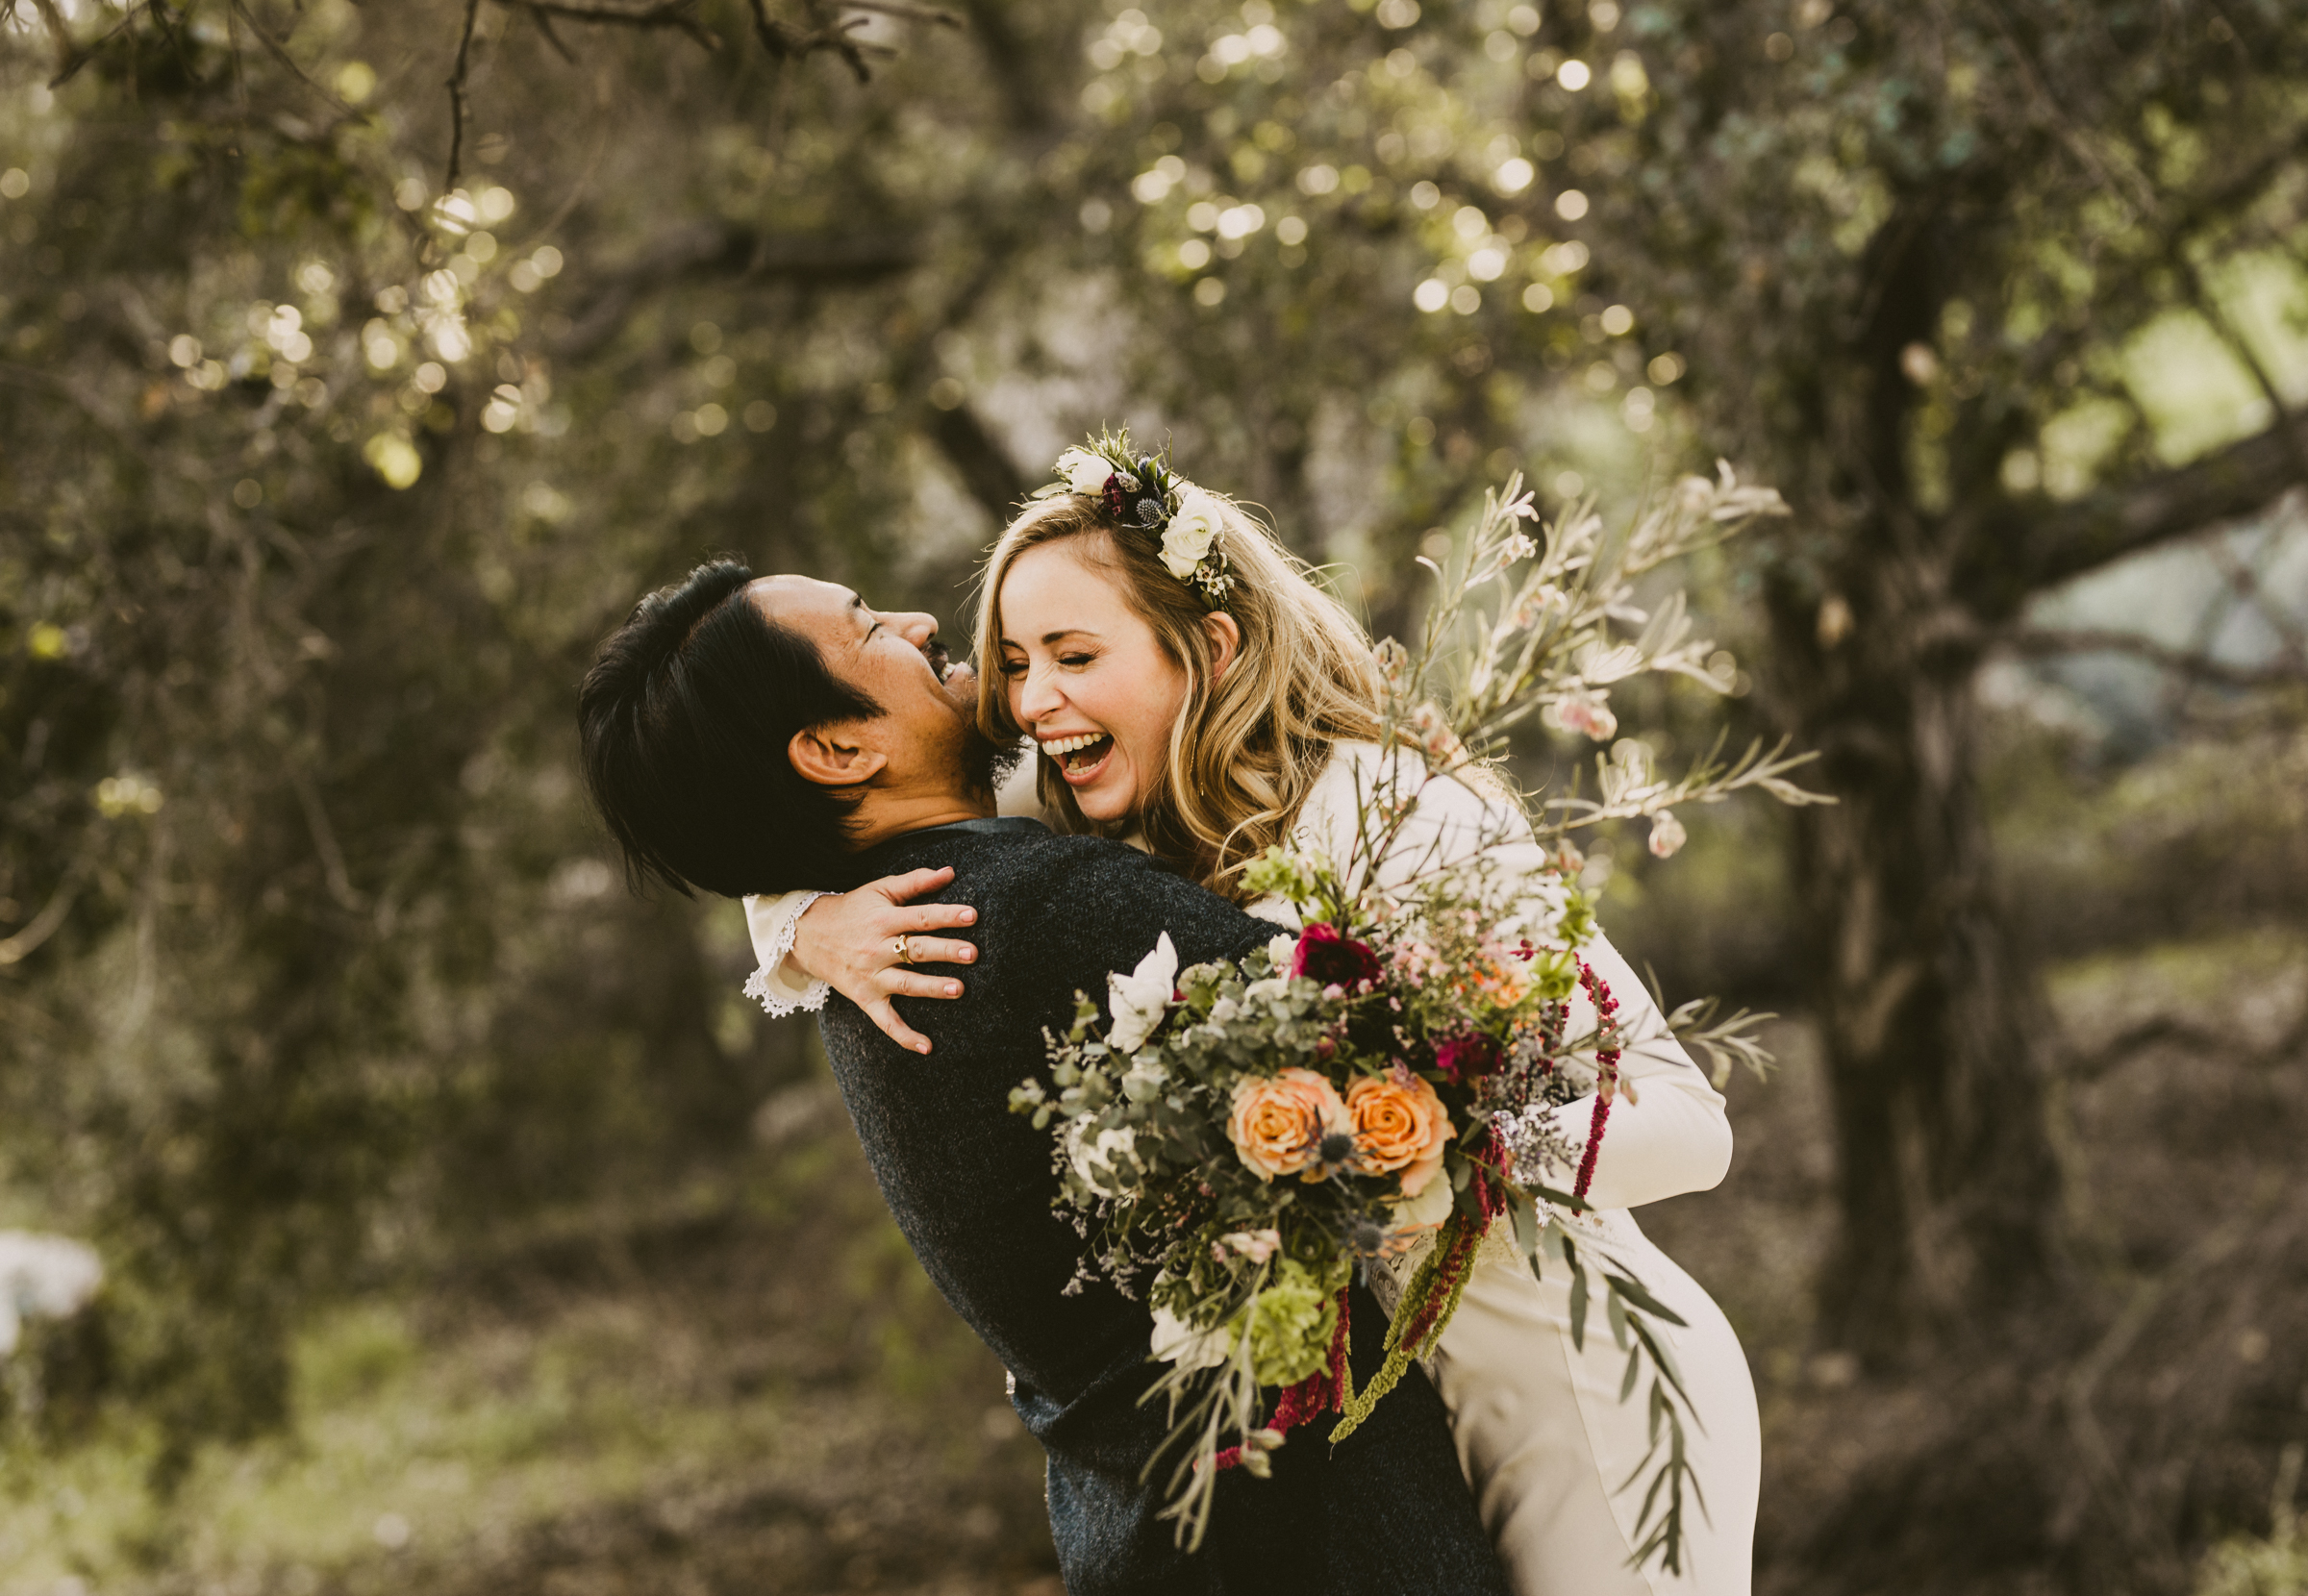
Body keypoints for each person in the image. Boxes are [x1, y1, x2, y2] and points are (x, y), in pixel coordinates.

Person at [750, 454, 1765, 1595]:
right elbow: (828, 802)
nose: (1034, 703)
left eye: (1076, 657)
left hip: (1584, 1396)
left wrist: (1431, 1148)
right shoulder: (1104, 806)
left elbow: (1690, 1125)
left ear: (1211, 650)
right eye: (1018, 664)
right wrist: (805, 923)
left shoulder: (1403, 816)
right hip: (1396, 1429)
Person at [578, 561, 1514, 1596]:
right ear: (839, 750)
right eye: (868, 626)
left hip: (1142, 1526)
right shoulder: (1028, 912)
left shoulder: (884, 938)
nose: (921, 618)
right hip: (1305, 1535)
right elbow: (1421, 1032)